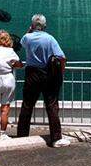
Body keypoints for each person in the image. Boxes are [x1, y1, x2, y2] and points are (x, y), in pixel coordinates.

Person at [17, 13, 69, 147]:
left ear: (32, 25)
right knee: (52, 105)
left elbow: (22, 41)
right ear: (45, 26)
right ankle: (56, 138)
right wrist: (61, 72)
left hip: (31, 74)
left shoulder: (27, 38)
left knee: (27, 105)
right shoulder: (50, 39)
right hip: (48, 74)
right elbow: (61, 57)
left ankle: (22, 136)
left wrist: (30, 30)